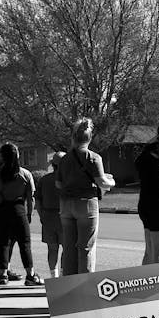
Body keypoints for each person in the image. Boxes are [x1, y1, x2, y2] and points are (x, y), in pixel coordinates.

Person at [56, 117, 115, 275]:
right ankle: (84, 286)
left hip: (66, 205)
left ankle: (68, 283)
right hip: (86, 204)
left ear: (73, 137)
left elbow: (58, 184)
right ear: (89, 138)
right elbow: (102, 182)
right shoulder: (94, 158)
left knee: (68, 247)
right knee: (86, 247)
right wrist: (112, 182)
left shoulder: (64, 159)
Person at [0, 143, 44, 286]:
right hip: (18, 210)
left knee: (2, 243)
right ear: (17, 155)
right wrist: (29, 213)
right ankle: (30, 275)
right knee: (25, 244)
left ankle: (3, 274)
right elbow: (30, 197)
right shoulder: (25, 174)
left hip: (0, 210)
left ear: (2, 156)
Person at [135, 119, 159, 264]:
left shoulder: (146, 151)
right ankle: (158, 286)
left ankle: (145, 283)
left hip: (144, 202)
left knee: (149, 251)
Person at [35, 150, 65, 277]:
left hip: (48, 217)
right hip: (65, 217)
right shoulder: (67, 180)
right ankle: (64, 274)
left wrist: (42, 216)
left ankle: (54, 275)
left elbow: (38, 200)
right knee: (67, 249)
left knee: (52, 249)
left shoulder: (44, 180)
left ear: (53, 164)